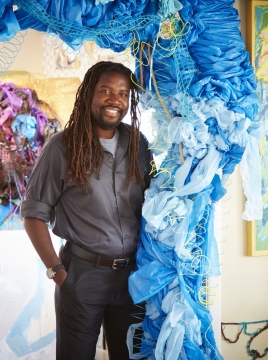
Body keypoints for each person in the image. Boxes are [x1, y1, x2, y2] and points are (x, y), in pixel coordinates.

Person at [21, 61, 154, 360]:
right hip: (82, 276)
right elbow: (32, 214)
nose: (114, 100)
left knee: (132, 357)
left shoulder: (138, 144)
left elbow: (155, 202)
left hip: (133, 277)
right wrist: (58, 272)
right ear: (88, 95)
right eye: (105, 90)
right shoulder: (61, 148)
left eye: (122, 93)